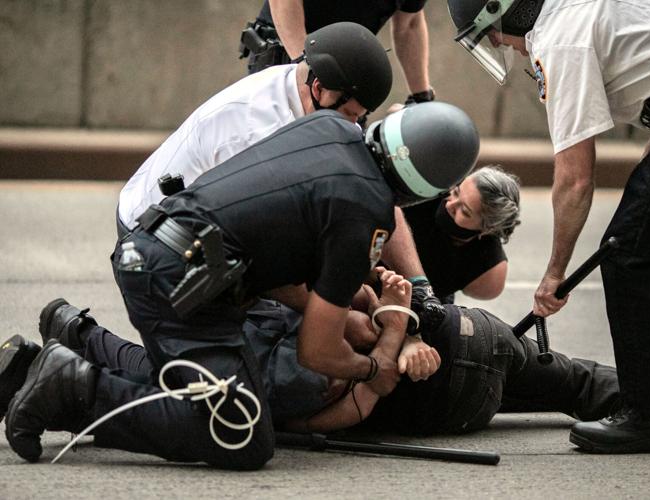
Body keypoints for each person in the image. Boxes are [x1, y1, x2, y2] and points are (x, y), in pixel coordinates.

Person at [2, 102, 480, 468]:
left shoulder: (331, 128)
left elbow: (286, 253)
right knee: (241, 432)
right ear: (426, 189)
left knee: (206, 383)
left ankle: (55, 354)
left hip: (161, 250)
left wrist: (346, 302)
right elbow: (317, 352)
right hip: (180, 280)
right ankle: (72, 390)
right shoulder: (364, 212)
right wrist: (372, 366)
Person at [447, 0, 650, 453]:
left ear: (505, 11)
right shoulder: (590, 6)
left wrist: (555, 274)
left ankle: (648, 415)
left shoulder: (558, 38)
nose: (497, 43)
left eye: (490, 32)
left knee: (627, 251)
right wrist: (647, 187)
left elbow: (574, 179)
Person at [118, 21, 392, 233]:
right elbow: (258, 235)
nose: (353, 127)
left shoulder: (296, 83)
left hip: (198, 216)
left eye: (359, 118)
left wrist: (415, 283)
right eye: (348, 115)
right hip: (146, 238)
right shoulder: (255, 131)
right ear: (320, 90)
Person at [239, 0, 434, 106]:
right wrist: (306, 66)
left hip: (345, 79)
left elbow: (410, 24)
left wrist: (421, 97)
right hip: (287, 62)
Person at [401, 165, 521, 303]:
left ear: (488, 229)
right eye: (456, 192)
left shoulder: (489, 272)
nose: (449, 205)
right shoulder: (426, 188)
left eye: (464, 211)